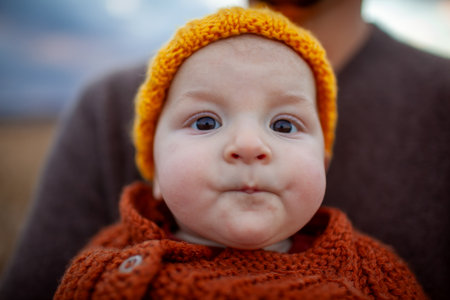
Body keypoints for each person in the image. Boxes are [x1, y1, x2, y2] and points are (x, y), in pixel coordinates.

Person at [1, 0, 449, 299]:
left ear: (324, 162)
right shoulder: (102, 269)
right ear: (153, 169)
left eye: (284, 125)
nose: (250, 146)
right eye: (206, 122)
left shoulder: (373, 275)